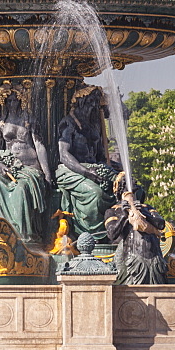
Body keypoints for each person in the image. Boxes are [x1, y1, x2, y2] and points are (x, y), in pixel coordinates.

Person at [0, 84, 51, 244]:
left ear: (21, 101)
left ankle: (23, 234)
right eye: (8, 100)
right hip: (8, 166)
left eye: (15, 100)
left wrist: (47, 174)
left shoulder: (29, 120)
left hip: (29, 167)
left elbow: (39, 146)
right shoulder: (0, 123)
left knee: (21, 189)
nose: (12, 104)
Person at [55, 86, 117, 242]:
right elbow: (64, 155)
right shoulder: (69, 123)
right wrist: (86, 172)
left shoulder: (94, 125)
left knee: (124, 186)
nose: (93, 106)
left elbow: (100, 156)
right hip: (70, 169)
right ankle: (92, 237)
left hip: (92, 167)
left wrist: (110, 171)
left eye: (96, 102)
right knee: (95, 194)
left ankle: (117, 232)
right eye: (90, 101)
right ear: (81, 102)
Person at [105, 175, 167, 285]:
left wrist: (145, 214)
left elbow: (161, 224)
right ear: (122, 186)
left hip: (155, 260)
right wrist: (124, 216)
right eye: (130, 180)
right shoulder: (113, 211)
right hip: (133, 261)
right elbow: (111, 234)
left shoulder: (146, 207)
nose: (134, 181)